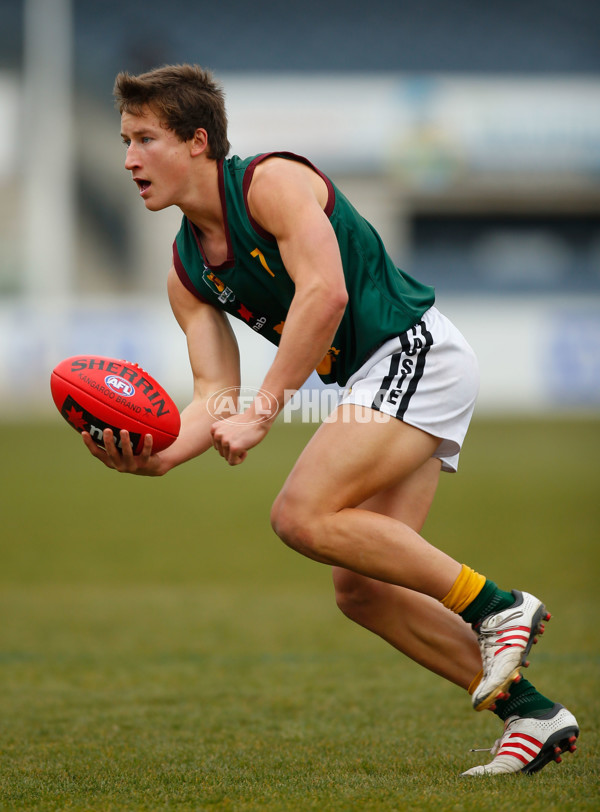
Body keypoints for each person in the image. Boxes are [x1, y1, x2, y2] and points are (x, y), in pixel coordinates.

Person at [83, 63, 579, 776]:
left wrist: (263, 412)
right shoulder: (187, 269)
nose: (128, 159)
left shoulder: (271, 183)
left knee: (299, 515)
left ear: (197, 142)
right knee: (363, 591)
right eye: (124, 142)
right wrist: (156, 454)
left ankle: (500, 606)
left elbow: (327, 295)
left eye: (144, 139)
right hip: (382, 380)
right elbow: (214, 391)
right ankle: (531, 712)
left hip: (415, 353)